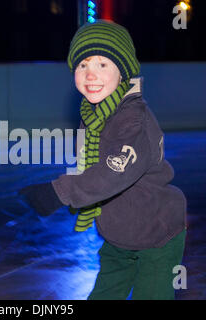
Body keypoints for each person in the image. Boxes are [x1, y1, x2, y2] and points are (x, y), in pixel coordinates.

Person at [19, 20, 187, 300]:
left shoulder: (133, 120)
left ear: (123, 73)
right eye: (83, 65)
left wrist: (58, 192)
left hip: (157, 236)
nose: (90, 75)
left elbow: (112, 173)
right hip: (119, 235)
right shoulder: (95, 115)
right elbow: (90, 165)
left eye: (103, 65)